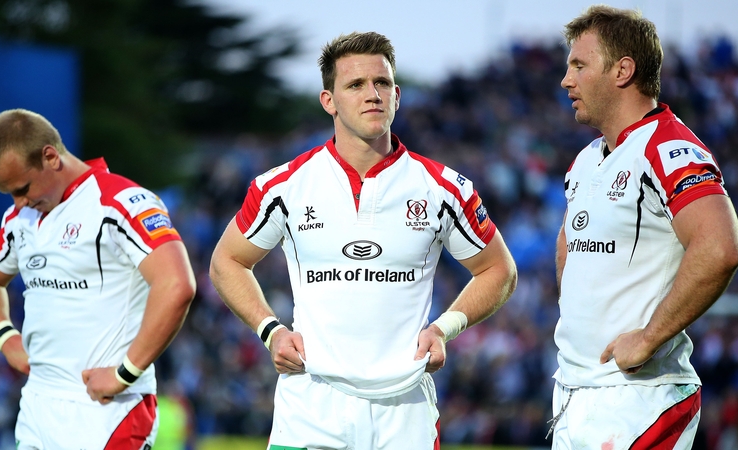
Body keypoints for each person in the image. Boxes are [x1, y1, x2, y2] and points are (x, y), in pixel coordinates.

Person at [209, 31, 517, 449]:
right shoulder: (282, 187)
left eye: (382, 83)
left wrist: (446, 328)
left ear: (397, 95)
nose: (372, 94)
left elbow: (499, 269)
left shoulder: (444, 188)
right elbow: (227, 261)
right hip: (310, 403)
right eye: (355, 85)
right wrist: (271, 331)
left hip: (404, 408)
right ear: (328, 101)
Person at [551, 6, 738, 449]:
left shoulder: (668, 146)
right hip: (577, 392)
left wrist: (649, 337)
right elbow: (569, 245)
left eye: (579, 65)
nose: (566, 80)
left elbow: (720, 247)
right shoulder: (585, 160)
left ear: (622, 70)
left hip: (639, 399)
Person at [0, 109, 197, 449]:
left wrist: (124, 374)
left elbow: (177, 285)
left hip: (107, 412)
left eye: (23, 188)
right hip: (37, 406)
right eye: (10, 193)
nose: (19, 201)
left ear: (50, 156)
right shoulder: (20, 218)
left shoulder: (118, 202)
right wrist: (7, 340)